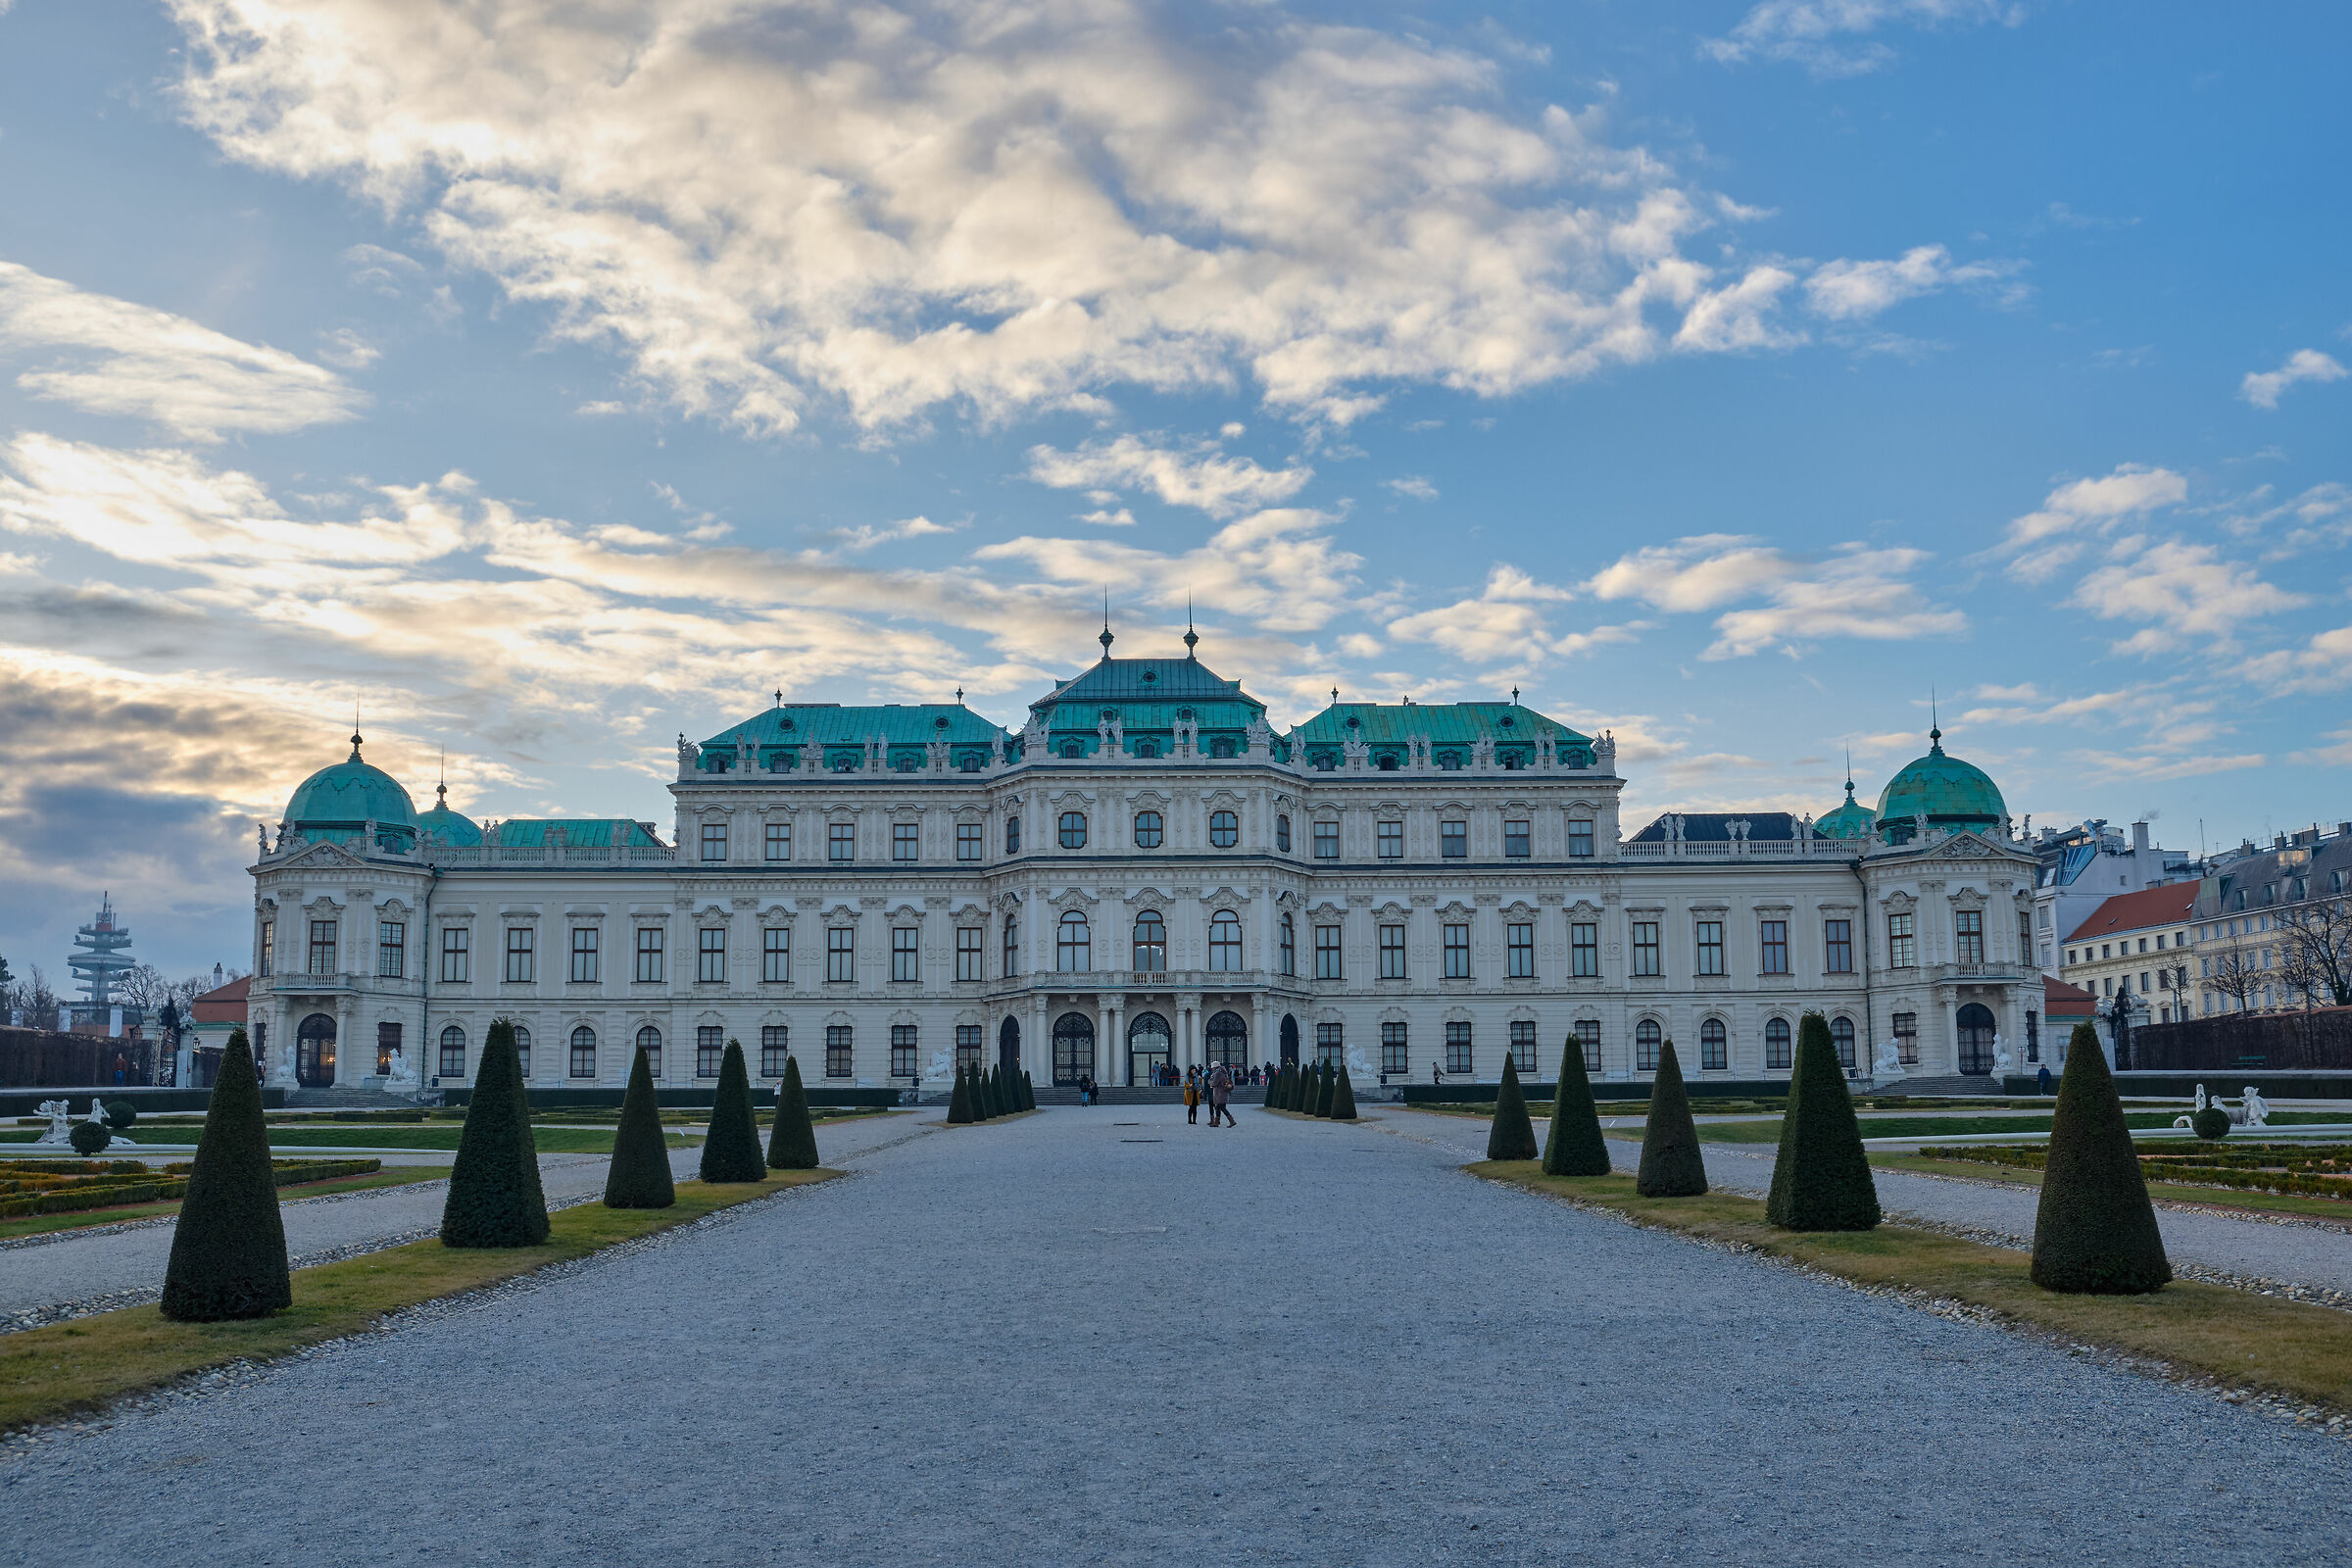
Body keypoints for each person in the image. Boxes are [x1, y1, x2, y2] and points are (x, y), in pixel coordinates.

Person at [1209, 1062, 1236, 1127]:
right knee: (1218, 1108)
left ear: (1214, 1067)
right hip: (1224, 1093)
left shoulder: (1218, 1073)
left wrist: (1209, 1081)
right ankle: (1217, 1122)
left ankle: (1232, 1121)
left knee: (1221, 1108)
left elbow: (1214, 1083)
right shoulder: (1224, 1072)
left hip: (1219, 1093)